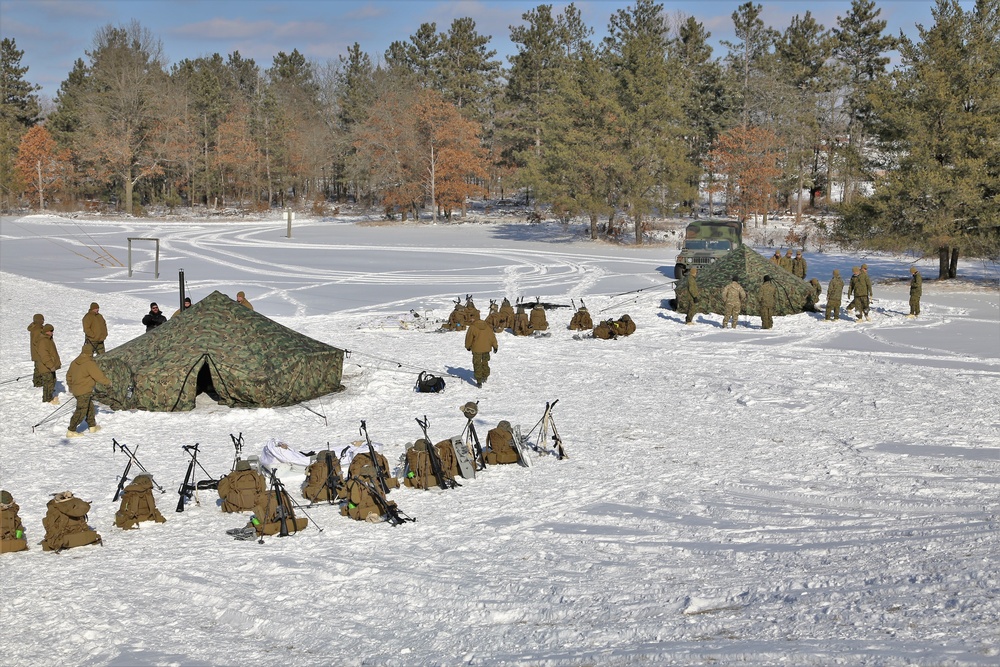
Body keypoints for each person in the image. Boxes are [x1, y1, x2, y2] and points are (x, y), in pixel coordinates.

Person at [66, 344, 111, 438]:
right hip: (84, 391)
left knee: (89, 408)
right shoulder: (89, 363)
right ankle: (71, 430)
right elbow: (98, 376)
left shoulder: (75, 362)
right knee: (81, 411)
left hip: (77, 391)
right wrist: (108, 383)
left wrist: (71, 387)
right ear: (90, 353)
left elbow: (68, 375)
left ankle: (92, 426)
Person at [464, 308, 498, 388]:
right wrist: (495, 346)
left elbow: (469, 338)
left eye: (472, 318)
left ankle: (479, 381)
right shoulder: (487, 326)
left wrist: (468, 346)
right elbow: (492, 337)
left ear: (475, 318)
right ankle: (485, 376)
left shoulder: (472, 327)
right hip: (486, 348)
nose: (471, 319)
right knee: (485, 362)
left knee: (477, 364)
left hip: (477, 349)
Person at [35, 324, 61, 404]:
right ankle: (47, 399)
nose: (52, 333)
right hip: (46, 366)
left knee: (52, 381)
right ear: (46, 331)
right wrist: (51, 365)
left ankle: (49, 397)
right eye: (50, 331)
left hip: (50, 366)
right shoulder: (43, 341)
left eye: (52, 331)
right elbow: (44, 355)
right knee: (48, 383)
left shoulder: (48, 339)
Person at [27, 314, 44, 386]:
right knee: (38, 368)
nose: (43, 320)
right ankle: (38, 383)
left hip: (36, 352)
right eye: (42, 319)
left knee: (38, 367)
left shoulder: (35, 328)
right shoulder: (38, 330)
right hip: (39, 352)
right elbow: (37, 342)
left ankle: (38, 382)